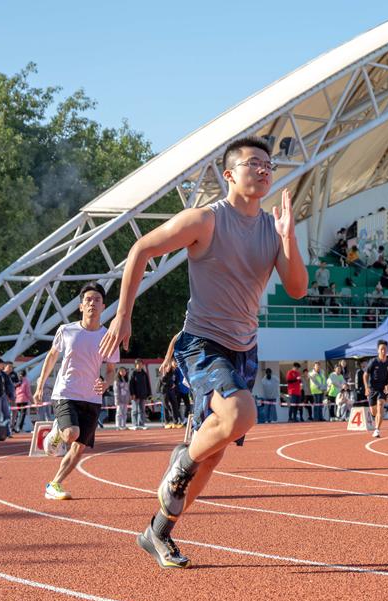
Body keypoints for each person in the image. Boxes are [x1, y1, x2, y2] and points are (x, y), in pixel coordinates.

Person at [98, 136, 307, 569]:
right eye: (254, 163)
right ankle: (182, 458)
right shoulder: (206, 221)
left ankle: (157, 531)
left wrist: (289, 238)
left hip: (244, 350)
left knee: (213, 456)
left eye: (269, 165)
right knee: (239, 416)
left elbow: (297, 288)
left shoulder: (272, 229)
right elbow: (141, 250)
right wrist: (123, 316)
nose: (265, 170)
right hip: (202, 343)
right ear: (229, 174)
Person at [36, 283, 119, 500]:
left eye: (97, 300)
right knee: (71, 434)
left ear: (103, 306)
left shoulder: (109, 336)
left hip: (92, 396)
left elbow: (111, 370)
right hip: (66, 392)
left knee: (79, 447)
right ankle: (57, 431)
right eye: (88, 300)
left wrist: (106, 383)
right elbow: (52, 356)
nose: (92, 303)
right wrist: (40, 384)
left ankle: (54, 484)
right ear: (81, 306)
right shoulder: (66, 330)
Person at [363, 340, 388, 437]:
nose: (383, 351)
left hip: (382, 389)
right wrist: (366, 387)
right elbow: (365, 375)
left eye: (385, 349)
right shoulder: (373, 362)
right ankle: (375, 418)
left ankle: (377, 429)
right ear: (378, 350)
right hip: (372, 389)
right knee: (373, 411)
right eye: (381, 349)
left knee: (380, 405)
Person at [129, 359, 152, 430]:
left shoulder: (144, 373)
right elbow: (131, 385)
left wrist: (149, 394)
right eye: (138, 364)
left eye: (141, 364)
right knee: (135, 410)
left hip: (143, 394)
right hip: (135, 395)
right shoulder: (133, 373)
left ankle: (141, 424)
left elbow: (147, 384)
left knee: (142, 410)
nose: (139, 365)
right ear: (136, 365)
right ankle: (134, 424)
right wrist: (132, 393)